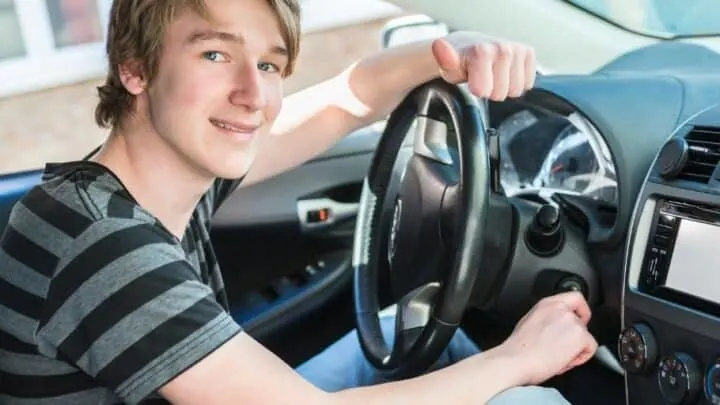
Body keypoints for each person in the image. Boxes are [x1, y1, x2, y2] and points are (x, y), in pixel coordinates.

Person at [0, 0, 598, 404]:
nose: (253, 95)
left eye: (268, 64)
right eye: (214, 54)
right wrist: (520, 359)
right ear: (135, 68)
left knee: (425, 340)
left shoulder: (153, 180)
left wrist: (459, 50)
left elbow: (352, 94)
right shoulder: (102, 244)